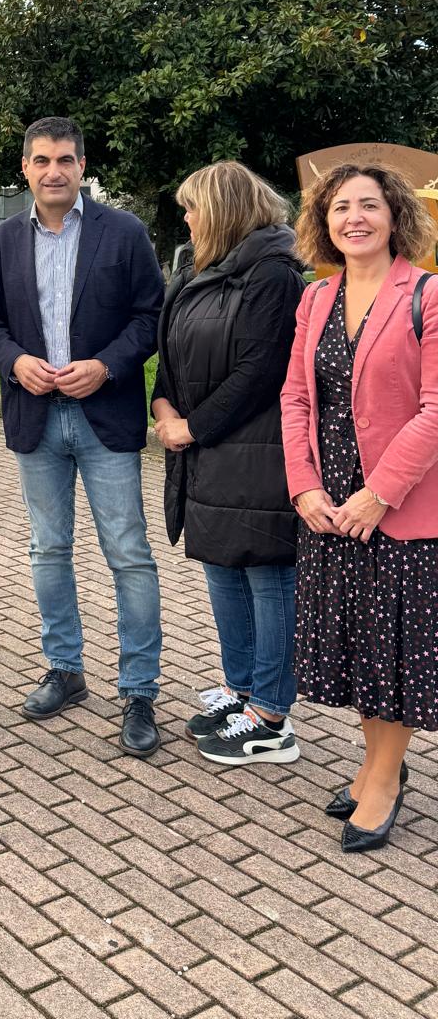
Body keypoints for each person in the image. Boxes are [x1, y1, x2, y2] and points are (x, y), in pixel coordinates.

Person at [0, 116, 165, 754]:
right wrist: (14, 362)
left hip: (104, 414)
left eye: (64, 160)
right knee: (48, 549)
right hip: (35, 416)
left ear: (83, 166)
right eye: (41, 160)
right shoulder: (3, 239)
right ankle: (65, 669)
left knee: (128, 552)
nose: (53, 171)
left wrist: (106, 365)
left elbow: (151, 316)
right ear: (25, 169)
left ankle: (139, 690)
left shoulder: (124, 232)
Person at [281, 162, 438, 853]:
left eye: (369, 205)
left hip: (398, 508)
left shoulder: (427, 294)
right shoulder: (315, 298)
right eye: (341, 206)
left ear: (394, 214)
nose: (355, 218)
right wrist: (303, 485)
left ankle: (382, 781)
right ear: (325, 222)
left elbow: (436, 409)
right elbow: (294, 397)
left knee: (393, 651)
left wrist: (379, 494)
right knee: (359, 648)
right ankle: (379, 764)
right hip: (329, 506)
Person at [151, 162, 305, 765]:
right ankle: (241, 693)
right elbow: (172, 351)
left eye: (193, 208)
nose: (186, 219)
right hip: (209, 453)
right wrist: (162, 404)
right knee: (222, 569)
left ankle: (270, 716)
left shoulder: (273, 274)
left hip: (258, 453)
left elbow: (261, 370)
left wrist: (192, 426)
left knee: (266, 575)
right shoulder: (197, 269)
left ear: (221, 210)